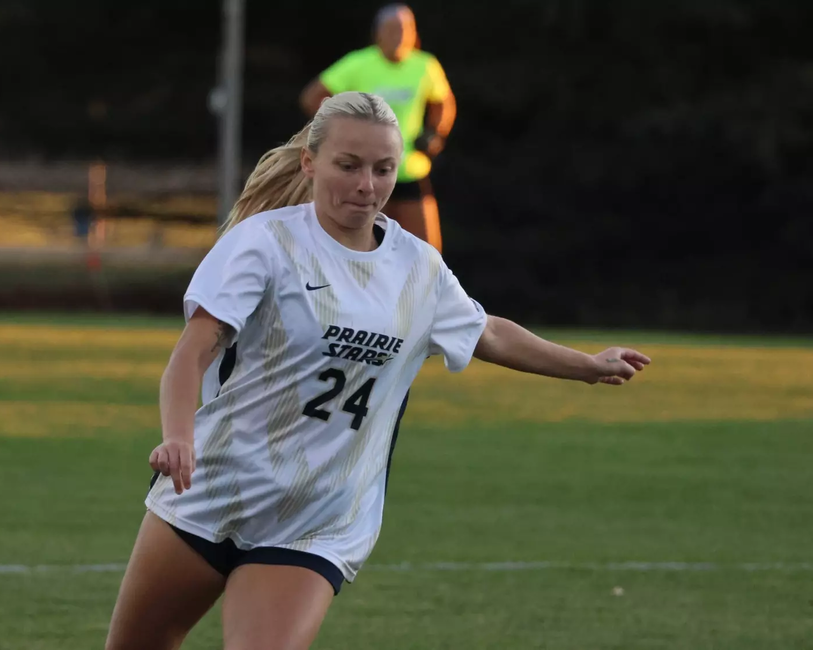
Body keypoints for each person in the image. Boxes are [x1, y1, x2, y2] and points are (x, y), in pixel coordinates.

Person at [104, 91, 651, 650]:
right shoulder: (264, 244)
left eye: (383, 169)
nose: (368, 185)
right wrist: (177, 436)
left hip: (315, 518)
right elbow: (193, 350)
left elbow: (486, 331)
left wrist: (586, 365)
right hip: (211, 488)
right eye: (349, 166)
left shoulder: (417, 268)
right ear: (310, 164)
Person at [300, 3, 456, 252]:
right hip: (365, 174)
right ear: (378, 34)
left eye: (407, 29)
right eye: (393, 30)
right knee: (362, 247)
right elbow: (313, 97)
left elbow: (444, 103)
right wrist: (341, 133)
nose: (400, 36)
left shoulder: (425, 65)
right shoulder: (358, 63)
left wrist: (435, 133)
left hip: (408, 170)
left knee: (428, 253)